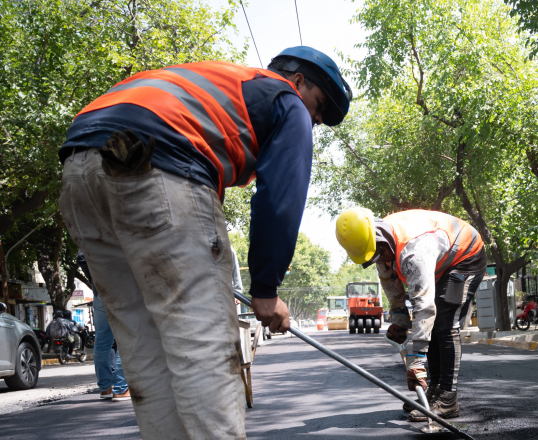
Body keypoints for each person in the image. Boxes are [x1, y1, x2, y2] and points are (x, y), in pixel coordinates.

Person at [58, 46, 352, 439]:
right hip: (157, 158)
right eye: (319, 107)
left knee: (145, 351)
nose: (314, 120)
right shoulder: (286, 99)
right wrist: (266, 290)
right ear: (298, 81)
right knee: (204, 347)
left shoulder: (215, 84)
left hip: (78, 171)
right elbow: (281, 198)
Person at [335, 208, 486, 421]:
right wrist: (400, 320)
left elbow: (424, 308)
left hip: (465, 256)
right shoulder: (380, 243)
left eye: (380, 256)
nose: (381, 261)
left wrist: (416, 361)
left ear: (381, 241)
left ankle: (448, 398)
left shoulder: (414, 252)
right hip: (440, 261)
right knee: (433, 324)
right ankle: (434, 390)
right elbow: (390, 284)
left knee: (444, 322)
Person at [78, 250, 130, 402]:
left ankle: (106, 388)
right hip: (122, 289)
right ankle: (121, 388)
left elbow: (81, 256)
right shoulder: (118, 235)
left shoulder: (92, 235)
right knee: (125, 338)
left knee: (102, 340)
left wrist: (95, 280)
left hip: (100, 290)